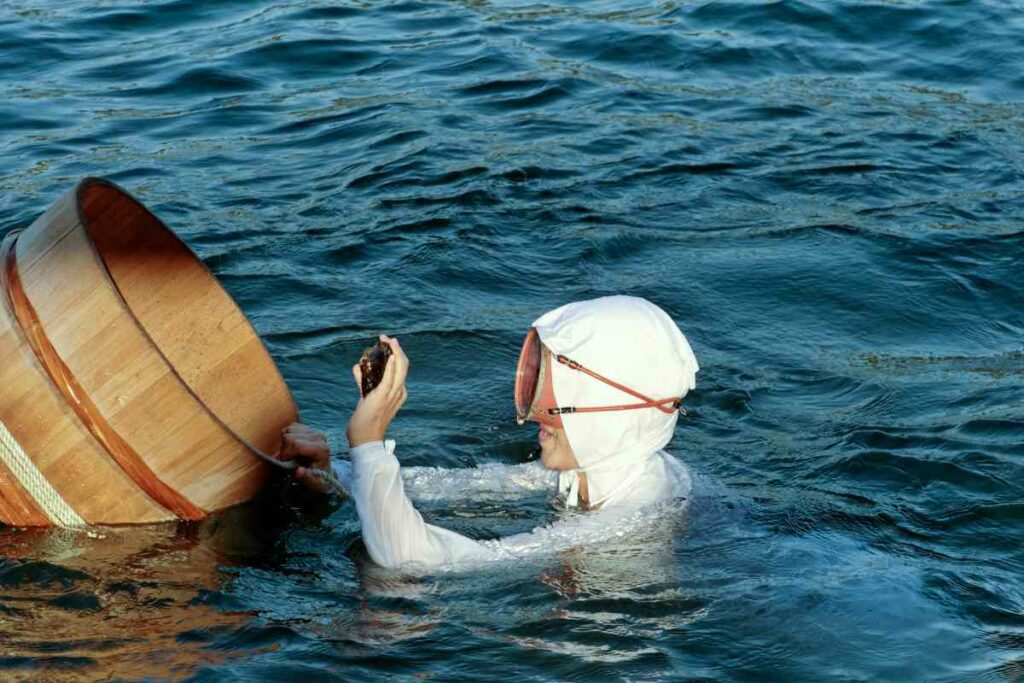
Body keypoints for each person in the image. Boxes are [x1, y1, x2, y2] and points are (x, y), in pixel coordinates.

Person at [277, 296, 699, 570]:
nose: (534, 413)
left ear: (603, 408)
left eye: (552, 388)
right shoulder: (601, 465)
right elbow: (455, 485)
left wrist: (368, 442)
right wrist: (338, 476)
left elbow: (413, 561)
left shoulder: (631, 518)